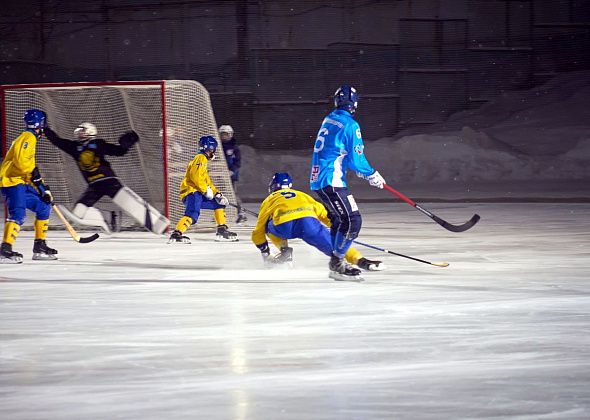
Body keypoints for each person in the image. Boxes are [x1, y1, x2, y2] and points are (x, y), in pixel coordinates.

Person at [310, 85, 386, 281]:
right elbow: (356, 160)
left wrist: (357, 169)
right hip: (331, 180)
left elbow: (339, 152)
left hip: (321, 179)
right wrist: (371, 174)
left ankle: (338, 261)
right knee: (353, 220)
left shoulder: (330, 119)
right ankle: (337, 263)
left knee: (339, 220)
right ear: (354, 104)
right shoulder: (351, 125)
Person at [252, 172, 385, 279]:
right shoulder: (302, 195)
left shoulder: (269, 199)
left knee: (266, 226)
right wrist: (339, 232)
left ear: (272, 186)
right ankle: (361, 261)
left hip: (284, 226)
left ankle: (284, 250)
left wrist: (266, 254)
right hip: (308, 224)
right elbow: (327, 216)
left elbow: (258, 232)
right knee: (335, 247)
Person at [44, 122, 169, 235]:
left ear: (90, 132)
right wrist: (45, 129)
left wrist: (124, 146)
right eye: (79, 130)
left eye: (83, 130)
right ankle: (108, 217)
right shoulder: (74, 147)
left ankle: (158, 224)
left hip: (108, 181)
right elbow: (57, 141)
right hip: (94, 185)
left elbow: (118, 151)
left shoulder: (98, 144)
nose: (80, 132)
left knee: (131, 203)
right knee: (78, 213)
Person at [0, 109, 58, 263]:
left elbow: (29, 169)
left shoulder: (30, 138)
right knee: (18, 214)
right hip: (12, 182)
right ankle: (5, 250)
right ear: (40, 123)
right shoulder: (28, 137)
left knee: (43, 206)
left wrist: (42, 188)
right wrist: (35, 176)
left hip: (21, 182)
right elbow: (22, 164)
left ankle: (39, 247)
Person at [168, 135, 238, 243]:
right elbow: (195, 177)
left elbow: (207, 181)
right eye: (213, 149)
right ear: (209, 148)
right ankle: (177, 234)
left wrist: (217, 194)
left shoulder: (203, 160)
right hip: (192, 192)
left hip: (198, 192)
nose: (214, 152)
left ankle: (222, 230)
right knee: (192, 213)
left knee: (218, 203)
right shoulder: (200, 158)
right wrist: (205, 190)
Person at [218, 125, 247, 224]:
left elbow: (237, 163)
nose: (224, 137)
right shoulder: (218, 147)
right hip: (219, 174)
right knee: (218, 194)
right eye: (223, 134)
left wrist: (232, 171)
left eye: (226, 134)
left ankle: (241, 213)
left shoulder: (234, 148)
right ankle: (219, 213)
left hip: (231, 176)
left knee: (233, 194)